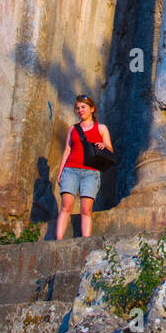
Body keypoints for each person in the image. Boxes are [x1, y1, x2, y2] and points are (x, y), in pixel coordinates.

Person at [55, 95, 114, 240]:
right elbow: (67, 150)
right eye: (78, 108)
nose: (80, 110)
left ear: (92, 109)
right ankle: (58, 240)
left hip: (91, 172)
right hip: (71, 169)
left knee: (86, 210)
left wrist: (104, 145)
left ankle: (85, 241)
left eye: (83, 107)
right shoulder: (73, 129)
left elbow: (110, 149)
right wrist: (60, 172)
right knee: (66, 207)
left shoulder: (101, 128)